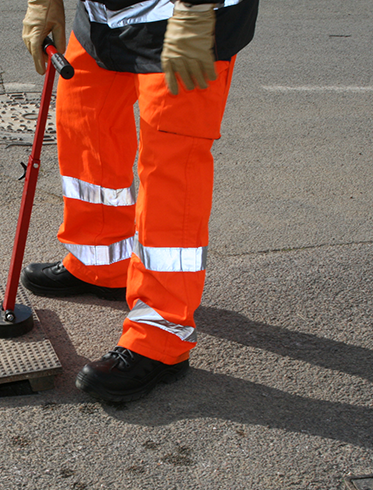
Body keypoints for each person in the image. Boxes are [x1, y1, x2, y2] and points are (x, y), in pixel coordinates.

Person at [19, 0, 258, 402]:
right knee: (85, 121)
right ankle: (100, 263)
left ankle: (161, 335)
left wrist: (198, 9)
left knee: (171, 165)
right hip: (103, 14)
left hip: (183, 15)